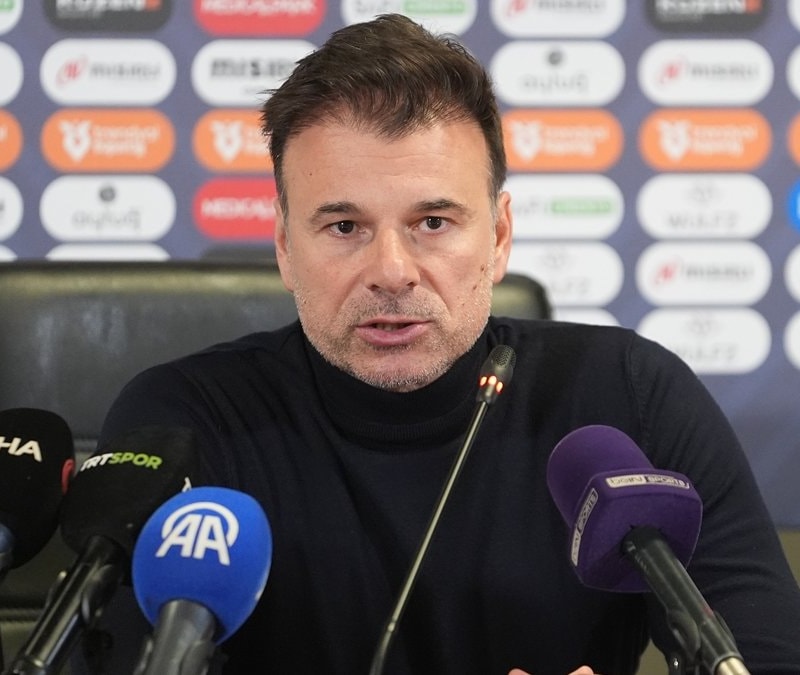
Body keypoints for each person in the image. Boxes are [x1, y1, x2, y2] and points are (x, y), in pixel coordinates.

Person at [85, 13, 800, 675]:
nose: (391, 271)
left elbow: (763, 653)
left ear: (498, 236)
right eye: (344, 227)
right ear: (283, 245)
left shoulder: (629, 397)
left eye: (432, 222)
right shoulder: (185, 425)